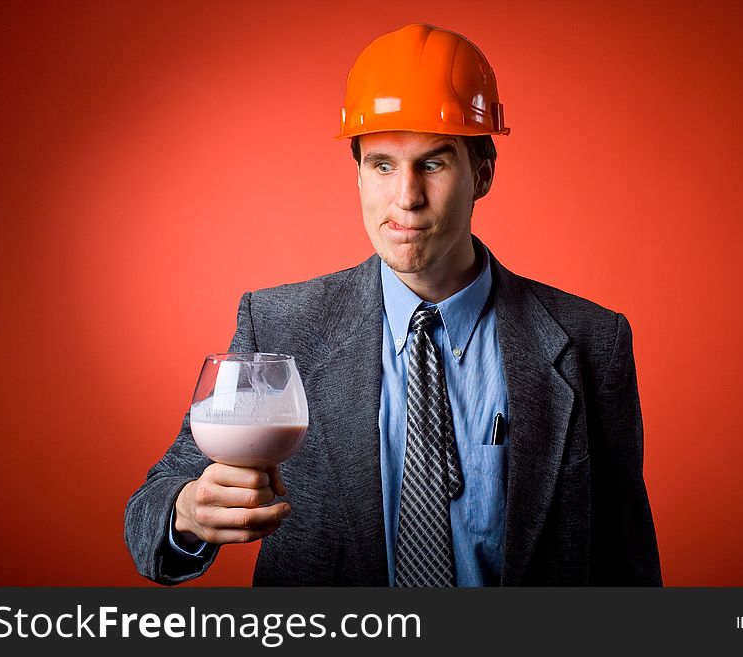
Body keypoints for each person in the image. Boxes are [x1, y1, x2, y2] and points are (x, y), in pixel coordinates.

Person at [124, 23, 661, 586]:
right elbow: (151, 514)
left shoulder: (593, 341)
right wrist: (185, 514)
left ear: (482, 175)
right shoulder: (281, 328)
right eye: (382, 164)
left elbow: (628, 560)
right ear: (357, 175)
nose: (406, 197)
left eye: (433, 163)